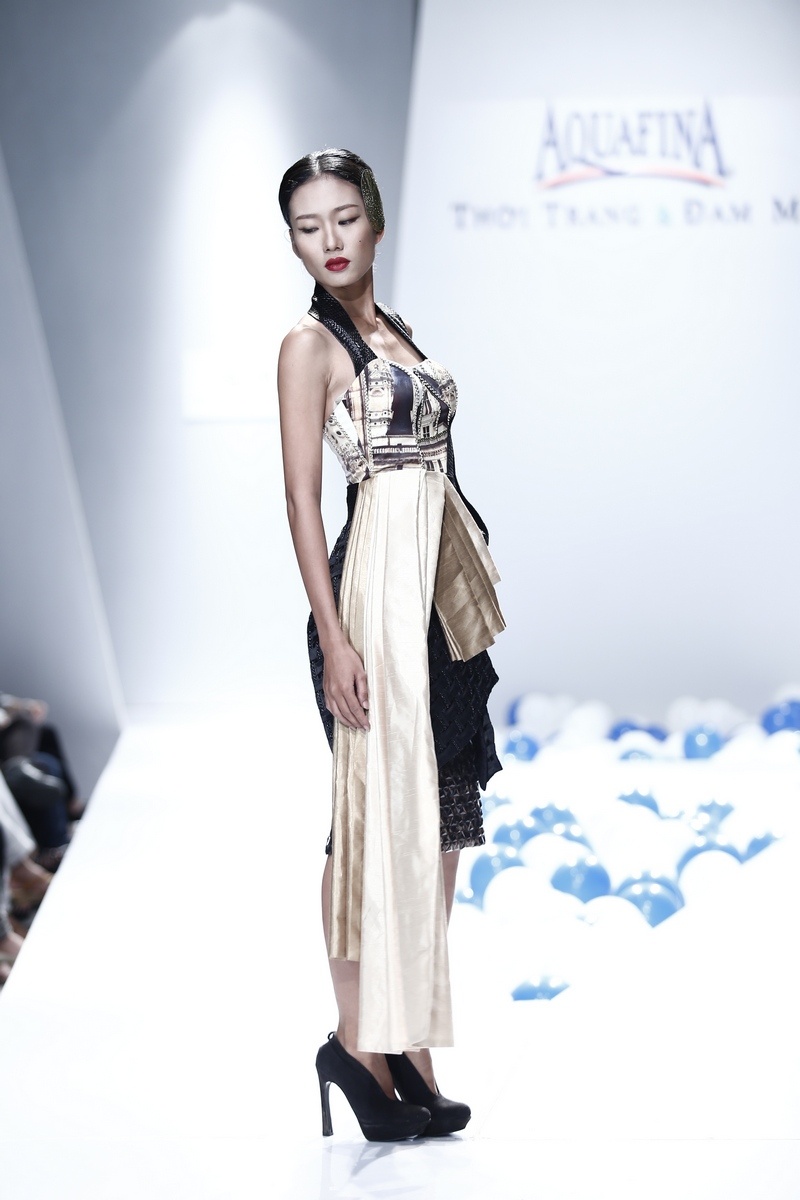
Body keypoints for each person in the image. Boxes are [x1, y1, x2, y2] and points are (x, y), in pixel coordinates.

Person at [277, 149, 505, 1142]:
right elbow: (299, 497)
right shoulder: (308, 346)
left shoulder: (396, 331)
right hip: (369, 593)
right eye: (307, 227)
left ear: (374, 220)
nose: (329, 241)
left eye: (343, 219)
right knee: (368, 816)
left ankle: (408, 1035)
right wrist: (333, 638)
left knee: (445, 810)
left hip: (434, 591)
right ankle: (356, 1043)